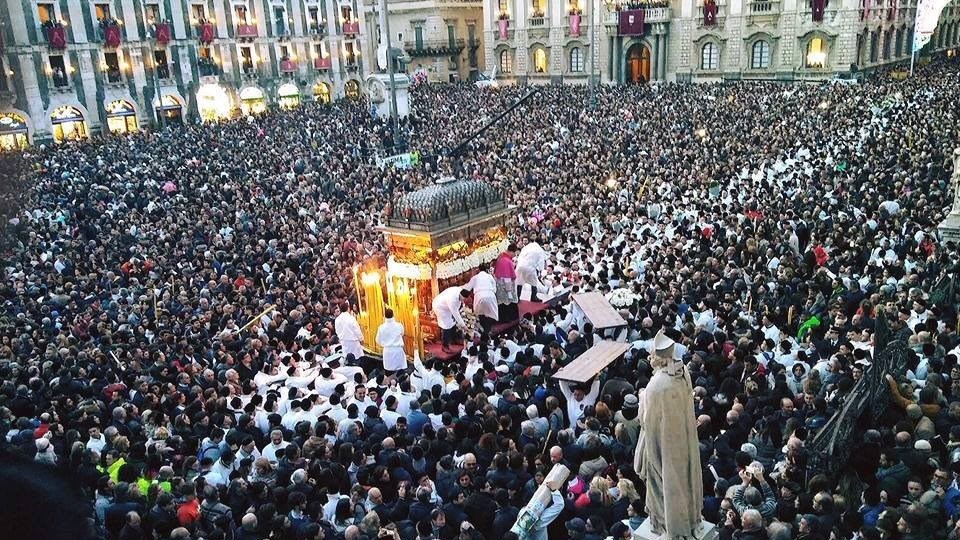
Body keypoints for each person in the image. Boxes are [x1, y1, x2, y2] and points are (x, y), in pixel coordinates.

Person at [463, 268, 499, 332]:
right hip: (490, 295)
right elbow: (494, 287)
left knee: (481, 313)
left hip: (480, 296)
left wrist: (459, 288)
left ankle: (485, 329)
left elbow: (468, 287)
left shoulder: (475, 277)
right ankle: (489, 328)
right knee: (490, 312)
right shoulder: (489, 276)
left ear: (478, 270)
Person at [376, 308, 408, 373]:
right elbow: (402, 333)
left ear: (384, 316)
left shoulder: (381, 327)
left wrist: (384, 344)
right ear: (393, 315)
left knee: (389, 372)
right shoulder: (399, 325)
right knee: (401, 373)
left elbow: (377, 340)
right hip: (398, 350)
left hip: (387, 352)